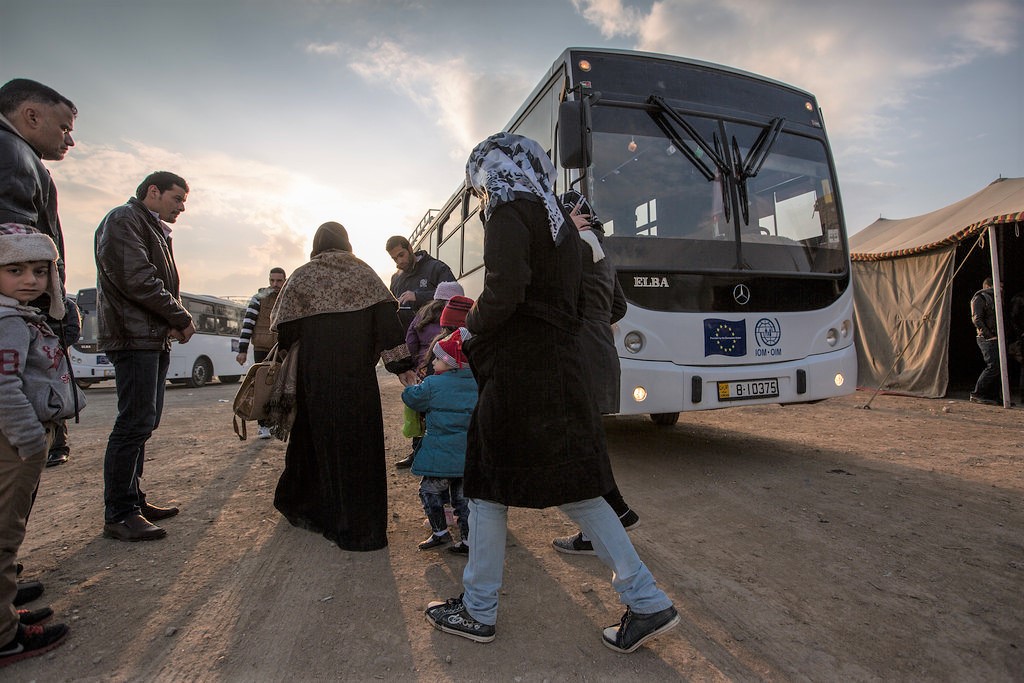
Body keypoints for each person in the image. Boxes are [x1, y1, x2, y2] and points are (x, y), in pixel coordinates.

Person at [425, 133, 678, 653]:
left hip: (521, 368)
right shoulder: (560, 223)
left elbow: (505, 287)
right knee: (577, 486)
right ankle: (647, 600)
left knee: (488, 485)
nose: (479, 194)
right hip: (559, 367)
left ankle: (478, 609)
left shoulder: (508, 208)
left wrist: (469, 329)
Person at [271, 221, 417, 551]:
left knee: (314, 443)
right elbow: (388, 327)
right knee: (358, 449)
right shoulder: (363, 274)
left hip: (314, 382)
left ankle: (313, 510)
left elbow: (285, 336)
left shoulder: (302, 276)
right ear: (347, 243)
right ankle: (362, 530)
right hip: (356, 383)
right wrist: (401, 368)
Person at [0, 78, 77, 602]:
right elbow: (17, 239)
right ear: (31, 116)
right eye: (65, 127)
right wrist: (52, 304)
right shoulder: (13, 155)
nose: (69, 140)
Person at [95, 171, 196, 542]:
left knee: (144, 422)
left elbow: (154, 282)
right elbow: (138, 279)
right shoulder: (125, 219)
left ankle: (133, 500)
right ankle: (120, 513)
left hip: (149, 337)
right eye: (177, 199)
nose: (182, 208)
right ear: (153, 192)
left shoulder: (149, 226)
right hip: (134, 337)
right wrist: (180, 317)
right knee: (133, 422)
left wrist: (168, 321)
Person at [0, 224, 80, 666]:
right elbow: (3, 387)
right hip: (15, 443)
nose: (30, 280)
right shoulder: (9, 322)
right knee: (4, 537)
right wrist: (32, 438)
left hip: (18, 441)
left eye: (40, 270)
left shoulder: (22, 314)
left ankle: (7, 613)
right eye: (15, 269)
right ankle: (5, 638)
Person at [551, 190, 639, 555]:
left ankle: (606, 521)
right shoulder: (602, 253)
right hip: (602, 352)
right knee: (587, 441)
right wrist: (597, 321)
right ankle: (616, 510)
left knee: (577, 445)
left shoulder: (575, 249)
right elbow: (617, 306)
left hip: (577, 354)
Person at [402, 328, 476, 554]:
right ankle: (467, 541)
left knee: (429, 492)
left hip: (439, 456)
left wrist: (411, 385)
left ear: (450, 363)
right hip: (467, 456)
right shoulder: (478, 382)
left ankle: (440, 533)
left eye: (438, 359)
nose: (433, 363)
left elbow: (412, 398)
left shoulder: (433, 385)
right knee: (463, 500)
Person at [395, 280, 465, 469]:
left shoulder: (422, 314)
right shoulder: (463, 314)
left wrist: (414, 366)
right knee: (452, 411)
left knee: (422, 412)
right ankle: (455, 451)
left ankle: (417, 452)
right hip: (455, 371)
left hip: (426, 369)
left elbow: (410, 342)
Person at [236, 267, 287, 439]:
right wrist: (242, 350)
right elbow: (248, 324)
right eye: (272, 280)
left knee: (280, 387)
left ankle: (275, 422)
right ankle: (263, 425)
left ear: (284, 281)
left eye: (279, 281)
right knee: (261, 387)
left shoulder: (287, 299)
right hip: (262, 348)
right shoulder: (258, 299)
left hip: (282, 349)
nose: (275, 284)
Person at [385, 235, 456, 330]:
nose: (399, 261)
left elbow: (453, 295)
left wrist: (417, 297)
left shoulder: (437, 268)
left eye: (401, 255)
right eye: (395, 259)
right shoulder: (395, 279)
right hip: (407, 340)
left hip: (435, 337)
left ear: (410, 248)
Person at [45, 295, 80, 467]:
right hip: (32, 362)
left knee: (57, 402)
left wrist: (52, 346)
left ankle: (58, 448)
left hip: (57, 361)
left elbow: (73, 332)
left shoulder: (67, 306)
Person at [970, 277, 1001, 405]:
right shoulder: (980, 298)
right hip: (986, 338)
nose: (1000, 289)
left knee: (998, 367)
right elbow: (977, 319)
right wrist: (989, 336)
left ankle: (992, 395)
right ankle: (977, 393)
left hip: (995, 336)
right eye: (998, 286)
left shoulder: (996, 299)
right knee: (992, 366)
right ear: (988, 286)